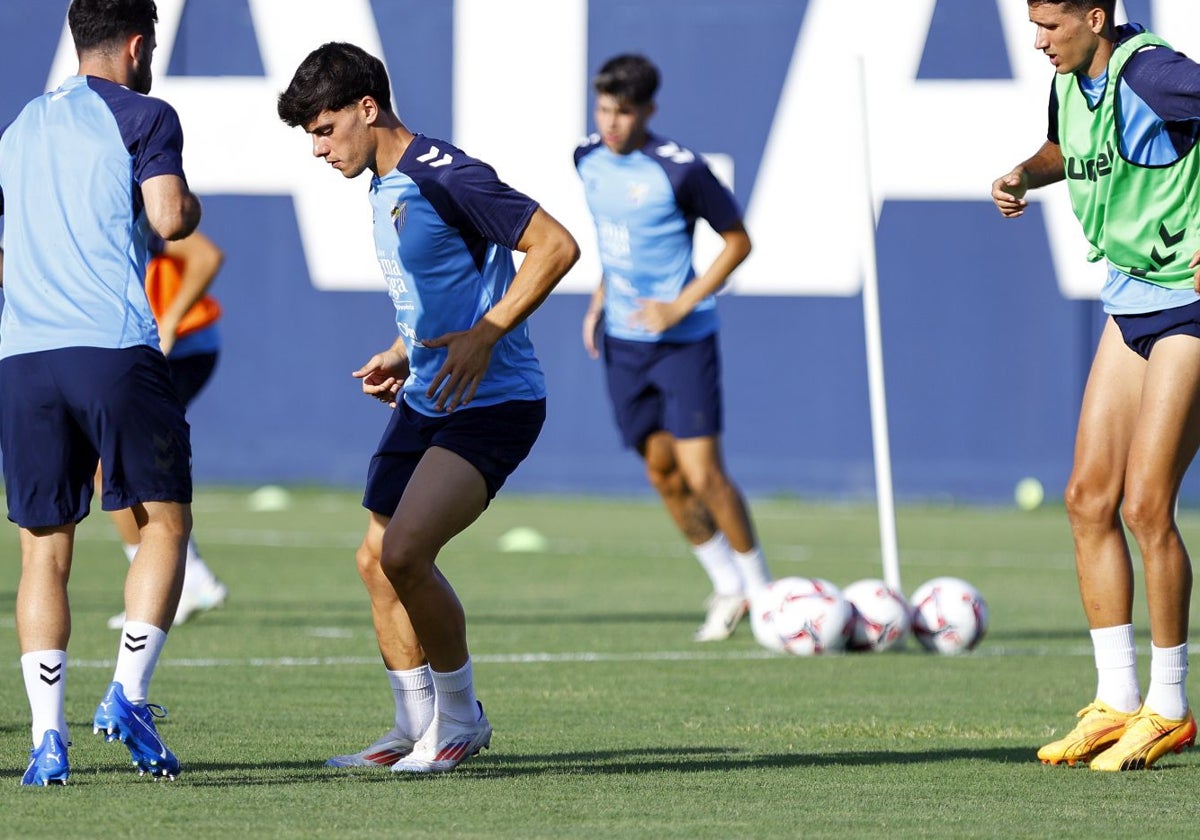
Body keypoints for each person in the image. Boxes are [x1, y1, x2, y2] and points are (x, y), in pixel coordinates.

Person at [276, 41, 579, 773]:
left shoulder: (445, 175)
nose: (318, 149)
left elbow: (555, 246)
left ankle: (460, 719)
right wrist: (404, 350)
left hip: (494, 399)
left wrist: (486, 335)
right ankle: (412, 726)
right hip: (427, 394)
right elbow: (441, 292)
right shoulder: (379, 189)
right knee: (376, 561)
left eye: (324, 129)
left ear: (367, 108)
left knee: (408, 552)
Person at [991, 0, 1200, 771]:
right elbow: (1062, 148)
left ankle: (1171, 707)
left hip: (1190, 301)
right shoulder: (1070, 77)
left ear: (1097, 15)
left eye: (1051, 26)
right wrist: (1024, 173)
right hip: (1132, 293)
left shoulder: (1154, 73)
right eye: (1033, 24)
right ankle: (1116, 701)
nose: (1038, 40)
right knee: (1087, 499)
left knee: (1148, 504)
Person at [0, 0, 201, 785]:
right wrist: (189, 209)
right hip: (110, 347)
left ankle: (47, 741)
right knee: (164, 523)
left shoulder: (18, 127)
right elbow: (168, 216)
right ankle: (127, 692)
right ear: (137, 43)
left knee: (43, 553)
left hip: (21, 356)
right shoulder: (144, 113)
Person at [575, 54, 772, 642]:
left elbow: (739, 242)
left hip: (683, 341)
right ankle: (727, 587)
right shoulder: (585, 157)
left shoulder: (680, 170)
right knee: (661, 471)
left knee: (704, 473)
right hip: (623, 344)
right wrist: (598, 301)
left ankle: (764, 598)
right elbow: (618, 243)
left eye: (624, 111)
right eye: (604, 108)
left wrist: (680, 305)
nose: (612, 122)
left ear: (649, 111)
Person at [102, 229, 229, 630]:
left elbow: (207, 255)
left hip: (178, 351)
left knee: (118, 464)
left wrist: (170, 320)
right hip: (155, 350)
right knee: (113, 463)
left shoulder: (141, 216)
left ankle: (173, 583)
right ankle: (179, 580)